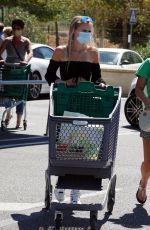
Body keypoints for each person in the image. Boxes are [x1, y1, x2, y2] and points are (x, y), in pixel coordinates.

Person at [45, 15, 106, 204]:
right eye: (83, 30)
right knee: (63, 147)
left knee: (82, 148)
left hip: (86, 105)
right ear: (74, 31)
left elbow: (98, 78)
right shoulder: (60, 52)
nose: (87, 34)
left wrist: (101, 85)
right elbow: (49, 76)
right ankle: (61, 184)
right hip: (64, 104)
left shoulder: (93, 53)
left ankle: (76, 193)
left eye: (89, 31)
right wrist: (63, 82)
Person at [0, 19, 33, 129]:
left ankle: (19, 120)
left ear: (22, 29)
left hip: (20, 71)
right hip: (8, 69)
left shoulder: (26, 41)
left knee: (20, 95)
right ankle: (8, 114)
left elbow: (30, 52)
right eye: (14, 28)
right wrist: (1, 60)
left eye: (18, 28)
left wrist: (26, 61)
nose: (15, 30)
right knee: (8, 94)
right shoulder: (7, 41)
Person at [135, 58, 150, 204]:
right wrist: (147, 101)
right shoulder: (149, 63)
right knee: (149, 162)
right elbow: (138, 89)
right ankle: (143, 184)